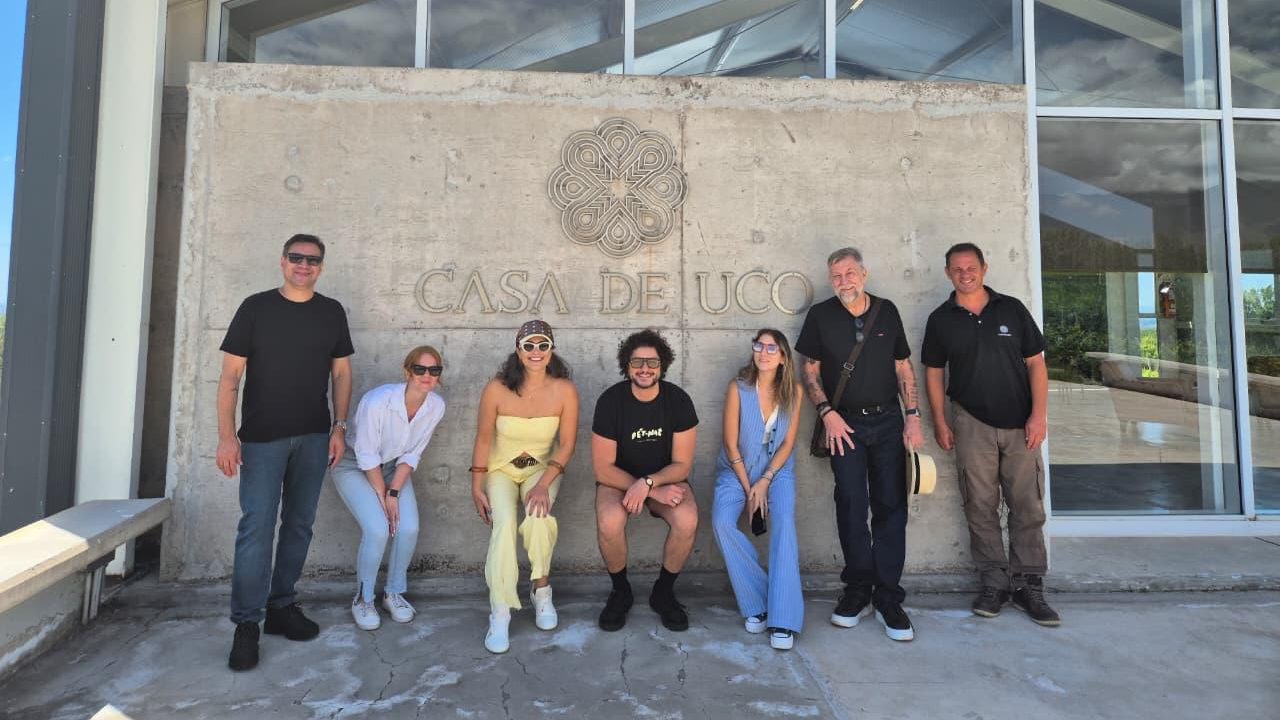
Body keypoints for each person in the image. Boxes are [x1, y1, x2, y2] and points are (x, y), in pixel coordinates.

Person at [216, 233, 354, 671]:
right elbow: (230, 378)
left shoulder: (331, 312)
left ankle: (281, 606)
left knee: (299, 525)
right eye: (296, 257)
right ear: (282, 261)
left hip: (314, 437)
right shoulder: (255, 309)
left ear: (321, 267)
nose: (303, 265)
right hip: (261, 440)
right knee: (256, 529)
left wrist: (339, 427)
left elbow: (341, 374)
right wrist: (227, 437)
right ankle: (247, 624)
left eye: (312, 260)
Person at [922, 242, 1059, 626]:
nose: (965, 274)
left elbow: (1036, 364)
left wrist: (1039, 416)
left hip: (1021, 423)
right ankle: (994, 583)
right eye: (957, 269)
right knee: (979, 505)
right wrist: (940, 421)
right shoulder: (941, 319)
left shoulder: (1011, 309)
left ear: (984, 268)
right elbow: (934, 372)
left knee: (1027, 504)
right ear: (948, 273)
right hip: (971, 423)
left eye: (971, 267)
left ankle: (1029, 584)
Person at [796, 246, 924, 642]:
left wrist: (913, 416)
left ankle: (888, 598)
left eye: (850, 273)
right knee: (851, 505)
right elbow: (809, 371)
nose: (844, 281)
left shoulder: (887, 311)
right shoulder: (820, 315)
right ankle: (857, 591)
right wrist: (826, 413)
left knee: (891, 507)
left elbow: (903, 366)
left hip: (888, 422)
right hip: (844, 425)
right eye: (836, 276)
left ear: (864, 275)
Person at [470, 320, 579, 654]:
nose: (536, 352)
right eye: (529, 345)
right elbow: (483, 439)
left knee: (538, 517)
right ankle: (500, 608)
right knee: (503, 525)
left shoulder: (564, 390)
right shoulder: (496, 389)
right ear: (518, 351)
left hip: (542, 471)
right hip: (500, 469)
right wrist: (476, 486)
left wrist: (543, 485)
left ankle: (540, 589)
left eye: (542, 345)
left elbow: (567, 445)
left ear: (551, 351)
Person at [332, 345, 447, 631]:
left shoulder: (435, 406)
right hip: (354, 464)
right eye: (420, 369)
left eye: (434, 370)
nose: (427, 375)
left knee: (408, 528)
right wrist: (383, 496)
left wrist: (393, 492)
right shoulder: (378, 402)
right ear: (408, 372)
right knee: (378, 528)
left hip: (393, 467)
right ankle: (363, 599)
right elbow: (366, 454)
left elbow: (412, 453)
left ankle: (393, 593)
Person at [591, 329, 699, 633]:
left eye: (652, 362)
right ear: (627, 366)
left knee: (687, 519)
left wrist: (649, 484)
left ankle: (663, 592)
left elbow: (682, 464)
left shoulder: (678, 400)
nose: (645, 369)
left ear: (662, 366)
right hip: (619, 481)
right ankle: (620, 591)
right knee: (609, 520)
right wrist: (643, 488)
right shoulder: (611, 401)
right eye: (637, 362)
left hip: (663, 479)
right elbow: (603, 469)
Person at [711, 329, 805, 651]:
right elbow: (730, 443)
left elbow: (788, 443)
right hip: (736, 469)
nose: (763, 353)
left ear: (783, 357)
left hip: (777, 472)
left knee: (784, 523)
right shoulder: (738, 388)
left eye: (771, 348)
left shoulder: (794, 392)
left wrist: (765, 481)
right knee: (722, 522)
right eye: (759, 346)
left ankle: (784, 619)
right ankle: (760, 600)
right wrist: (750, 487)